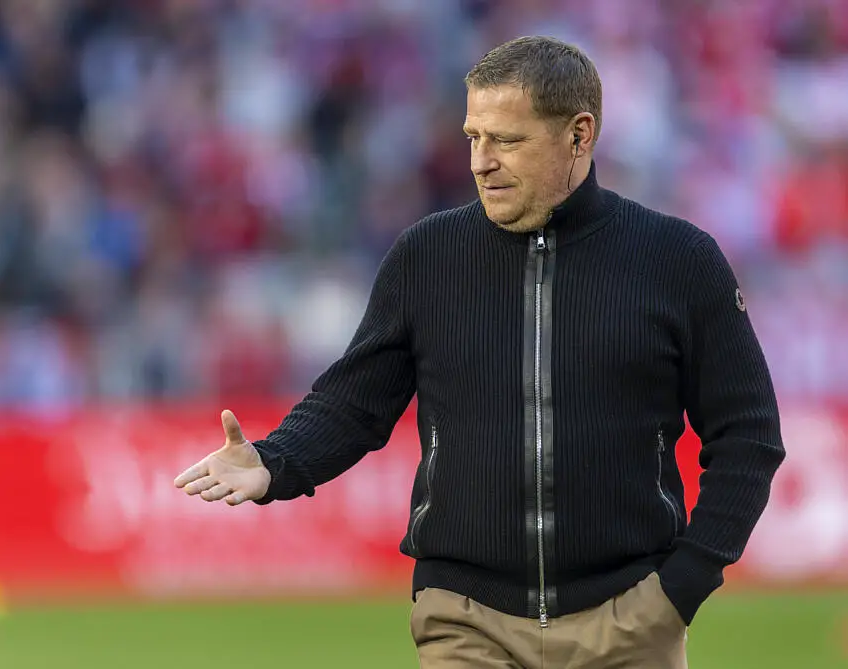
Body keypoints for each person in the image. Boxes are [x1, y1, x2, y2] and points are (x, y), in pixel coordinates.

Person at [174, 36, 785, 668]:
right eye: (473, 137)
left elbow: (749, 435)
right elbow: (353, 405)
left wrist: (680, 588)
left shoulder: (679, 261)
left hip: (630, 619)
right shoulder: (426, 256)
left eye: (507, 140)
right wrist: (274, 460)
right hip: (465, 620)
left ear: (579, 136)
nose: (481, 162)